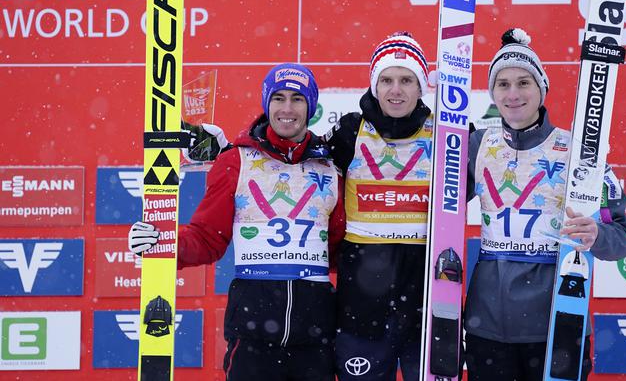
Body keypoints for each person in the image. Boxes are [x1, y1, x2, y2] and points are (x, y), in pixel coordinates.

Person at [128, 63, 346, 381]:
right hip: (252, 336)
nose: (287, 109)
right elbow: (207, 239)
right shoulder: (235, 160)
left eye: (298, 99)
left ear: (311, 106)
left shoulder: (330, 166)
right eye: (279, 98)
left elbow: (343, 250)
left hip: (314, 338)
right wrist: (162, 243)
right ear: (266, 102)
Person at [463, 28, 626, 381]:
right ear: (492, 92)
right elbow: (435, 211)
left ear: (542, 88)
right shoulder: (477, 145)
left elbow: (621, 238)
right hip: (488, 326)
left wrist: (596, 234)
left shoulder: (579, 152)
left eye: (524, 83)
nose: (513, 94)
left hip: (558, 320)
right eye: (503, 84)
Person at [323, 32, 433, 380]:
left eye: (406, 80)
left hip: (426, 297)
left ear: (421, 87)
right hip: (362, 299)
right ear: (374, 85)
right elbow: (294, 161)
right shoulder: (348, 131)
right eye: (386, 79)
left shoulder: (448, 134)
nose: (395, 89)